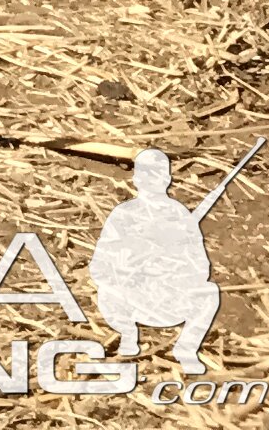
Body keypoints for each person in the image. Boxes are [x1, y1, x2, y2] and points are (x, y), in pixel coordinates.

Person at [91, 149, 223, 375]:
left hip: (170, 299)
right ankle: (128, 335)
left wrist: (171, 267)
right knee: (105, 292)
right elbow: (99, 266)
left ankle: (186, 348)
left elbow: (201, 267)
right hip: (131, 298)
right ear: (136, 179)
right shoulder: (123, 214)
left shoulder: (180, 215)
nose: (151, 181)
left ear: (167, 178)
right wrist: (125, 269)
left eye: (157, 174)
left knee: (209, 292)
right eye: (145, 175)